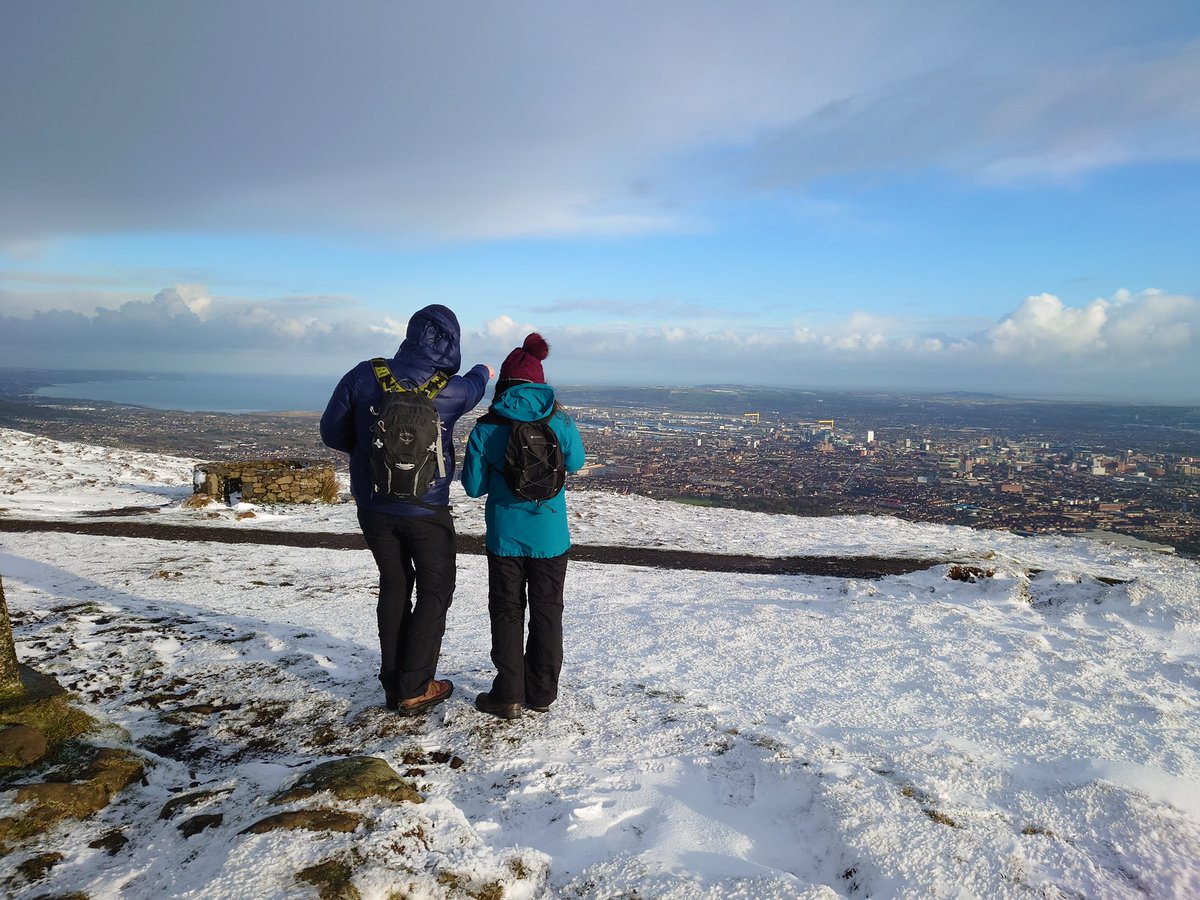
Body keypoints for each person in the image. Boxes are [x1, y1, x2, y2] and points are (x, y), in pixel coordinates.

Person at [321, 304, 493, 716]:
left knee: (394, 585)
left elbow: (331, 432)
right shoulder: (450, 390)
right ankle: (416, 686)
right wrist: (485, 371)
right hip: (427, 510)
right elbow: (475, 386)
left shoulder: (366, 374)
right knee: (434, 592)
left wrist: (368, 456)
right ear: (452, 342)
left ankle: (393, 684)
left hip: (375, 506)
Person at [462, 333, 585, 719]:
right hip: (551, 536)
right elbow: (576, 463)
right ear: (539, 382)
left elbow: (473, 486)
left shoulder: (487, 427)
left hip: (505, 538)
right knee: (548, 612)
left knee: (507, 611)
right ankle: (543, 692)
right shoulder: (560, 419)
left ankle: (509, 694)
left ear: (505, 385)